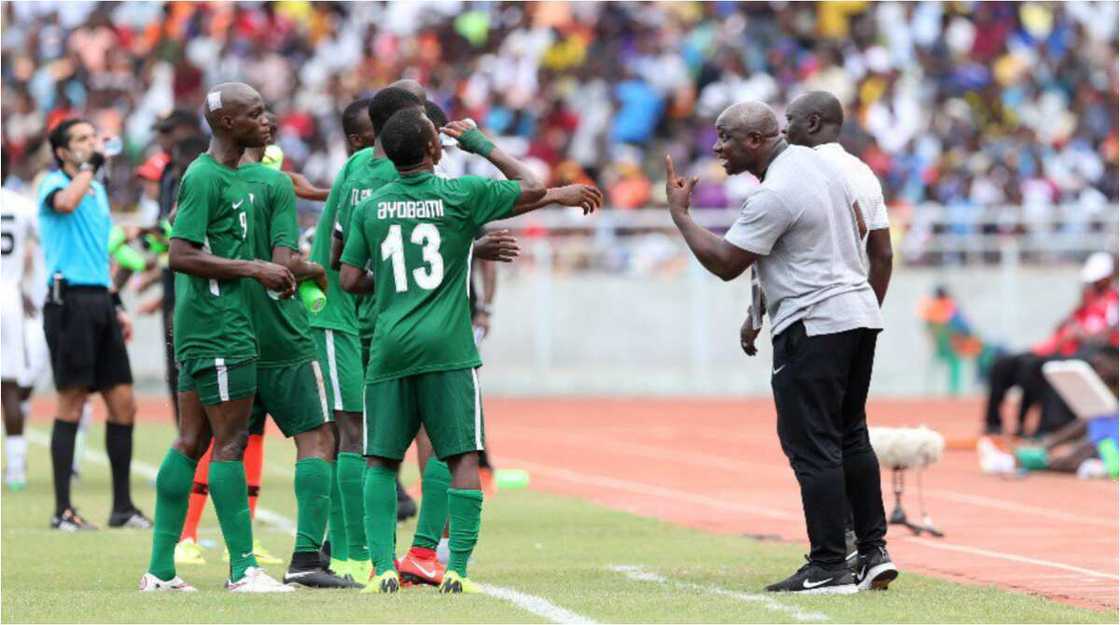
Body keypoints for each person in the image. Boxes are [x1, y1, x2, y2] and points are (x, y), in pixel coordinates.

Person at [338, 106, 602, 594]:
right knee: (459, 456)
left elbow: (350, 278)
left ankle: (383, 569)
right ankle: (455, 567)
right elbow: (529, 184)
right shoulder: (458, 194)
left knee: (380, 460)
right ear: (434, 149)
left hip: (390, 345)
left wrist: (395, 283)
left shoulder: (370, 207)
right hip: (448, 348)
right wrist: (478, 143)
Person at [661, 101, 895, 594]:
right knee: (851, 437)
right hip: (857, 312)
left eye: (725, 137)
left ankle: (829, 564)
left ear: (755, 141)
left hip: (813, 323)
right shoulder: (822, 166)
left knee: (812, 446)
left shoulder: (775, 193)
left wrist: (681, 216)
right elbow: (857, 225)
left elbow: (726, 262)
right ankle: (872, 552)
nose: (717, 148)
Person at [140, 82, 297, 593]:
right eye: (256, 112)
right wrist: (255, 268)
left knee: (191, 441)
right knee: (229, 443)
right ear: (229, 123)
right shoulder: (205, 175)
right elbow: (180, 254)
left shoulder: (229, 175)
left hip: (203, 325)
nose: (266, 119)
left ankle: (161, 570)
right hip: (219, 325)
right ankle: (242, 569)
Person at [235, 122, 359, 588]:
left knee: (216, 443)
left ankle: (211, 564)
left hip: (224, 328)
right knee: (321, 436)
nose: (266, 123)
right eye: (257, 116)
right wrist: (315, 272)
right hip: (283, 331)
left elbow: (181, 253)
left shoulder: (201, 179)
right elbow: (286, 263)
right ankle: (312, 556)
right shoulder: (275, 187)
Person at [38, 118, 150, 531]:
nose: (91, 143)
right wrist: (90, 166)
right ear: (62, 152)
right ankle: (62, 510)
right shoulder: (53, 184)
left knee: (124, 402)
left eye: (92, 137)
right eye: (81, 139)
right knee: (72, 400)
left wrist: (115, 302)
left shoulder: (98, 191)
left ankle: (122, 507)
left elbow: (100, 254)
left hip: (99, 299)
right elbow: (66, 204)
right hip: (68, 301)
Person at [1, 147, 38, 492]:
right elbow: (44, 242)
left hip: (12, 295)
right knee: (9, 384)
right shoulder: (21, 204)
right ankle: (15, 470)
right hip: (9, 297)